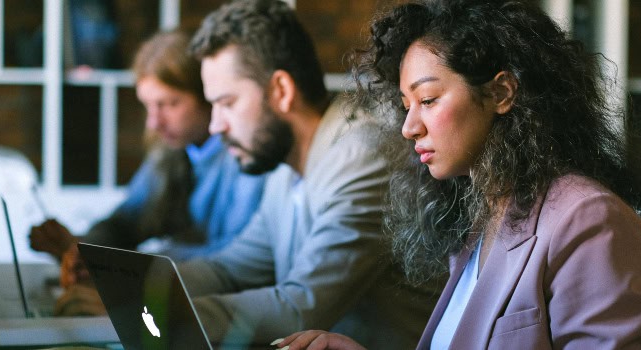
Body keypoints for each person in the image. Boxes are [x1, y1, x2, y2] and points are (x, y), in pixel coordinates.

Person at [276, 0, 641, 349]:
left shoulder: (589, 219)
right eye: (406, 104)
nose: (409, 126)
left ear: (501, 93)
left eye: (429, 99)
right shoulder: (480, 222)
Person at [174, 0, 441, 348]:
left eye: (227, 103)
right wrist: (137, 284)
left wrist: (165, 313)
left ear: (281, 91)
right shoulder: (286, 168)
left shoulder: (364, 153)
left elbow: (301, 307)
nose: (215, 125)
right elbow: (229, 269)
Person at [28, 30, 266, 313]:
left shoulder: (247, 156)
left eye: (169, 104)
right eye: (148, 106)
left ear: (208, 96)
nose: (154, 122)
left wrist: (128, 266)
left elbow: (234, 261)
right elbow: (126, 222)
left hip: (226, 309)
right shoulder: (171, 151)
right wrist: (85, 249)